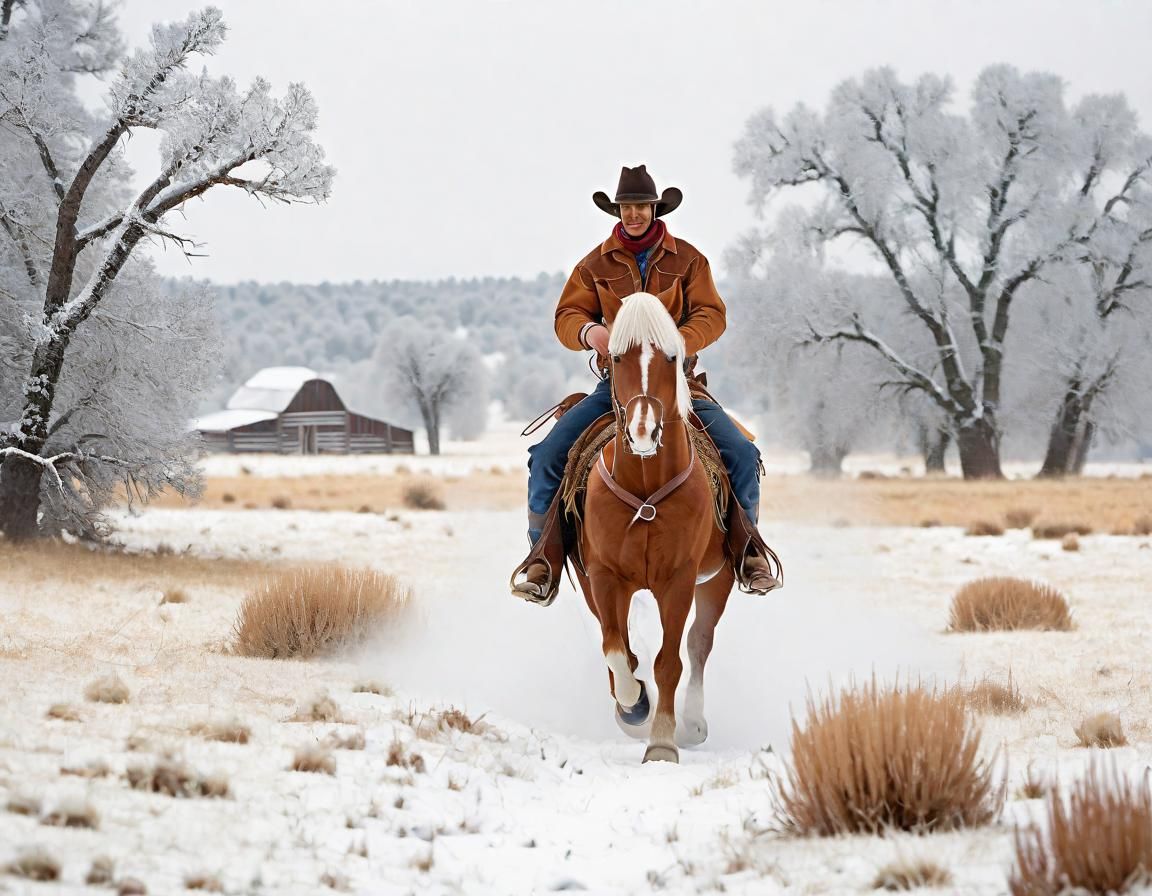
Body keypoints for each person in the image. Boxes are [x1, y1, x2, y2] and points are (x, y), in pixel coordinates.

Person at [511, 164, 781, 605]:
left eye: (641, 206)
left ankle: (749, 550)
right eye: (626, 207)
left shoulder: (689, 260)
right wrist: (590, 334)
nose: (633, 214)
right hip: (616, 389)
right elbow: (567, 317)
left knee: (742, 454)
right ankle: (543, 560)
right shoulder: (594, 264)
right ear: (616, 211)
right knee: (546, 456)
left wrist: (677, 342)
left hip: (678, 384)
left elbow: (712, 315)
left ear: (655, 209)